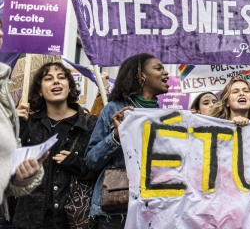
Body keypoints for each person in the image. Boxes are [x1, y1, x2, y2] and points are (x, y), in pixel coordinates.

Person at [85, 53, 169, 229]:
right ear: (141, 75)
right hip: (116, 211)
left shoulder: (168, 118)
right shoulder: (114, 109)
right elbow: (91, 160)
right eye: (158, 68)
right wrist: (116, 136)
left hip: (153, 210)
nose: (166, 73)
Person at [12, 62, 98, 229]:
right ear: (39, 90)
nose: (56, 82)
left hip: (72, 220)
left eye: (61, 77)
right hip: (30, 220)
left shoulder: (90, 125)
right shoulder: (28, 123)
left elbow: (101, 170)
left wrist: (76, 163)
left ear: (70, 85)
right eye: (48, 78)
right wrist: (10, 124)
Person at [0, 17, 45, 225]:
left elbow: (7, 178)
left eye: (1, 29)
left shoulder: (3, 97)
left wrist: (23, 175)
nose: (1, 35)